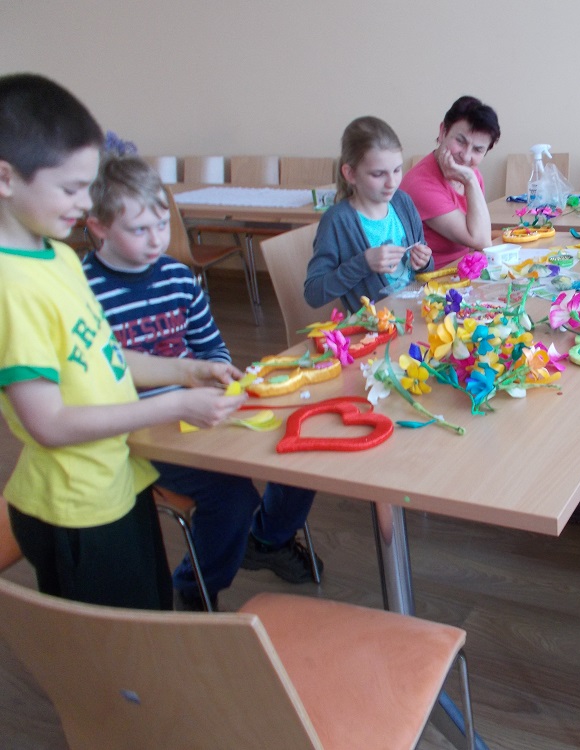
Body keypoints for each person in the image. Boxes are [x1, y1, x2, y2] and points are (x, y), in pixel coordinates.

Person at [0, 73, 245, 610]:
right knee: (114, 645)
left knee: (148, 617)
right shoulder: (11, 286)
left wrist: (186, 371)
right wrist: (176, 404)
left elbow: (103, 358)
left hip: (116, 478)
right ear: (6, 178)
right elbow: (49, 423)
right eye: (71, 189)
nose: (85, 203)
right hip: (74, 506)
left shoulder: (57, 256)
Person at [82, 154, 323, 611]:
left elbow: (211, 347)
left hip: (199, 408)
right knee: (231, 499)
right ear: (99, 228)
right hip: (137, 428)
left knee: (301, 442)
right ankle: (196, 585)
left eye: (162, 225)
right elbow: (93, 384)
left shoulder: (178, 277)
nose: (156, 239)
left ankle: (266, 539)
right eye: (139, 229)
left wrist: (219, 374)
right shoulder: (82, 291)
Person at [304, 116, 432, 313]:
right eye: (378, 174)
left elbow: (426, 270)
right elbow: (314, 293)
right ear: (350, 174)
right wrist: (364, 263)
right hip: (375, 325)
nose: (392, 183)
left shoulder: (402, 202)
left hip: (417, 312)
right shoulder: (337, 221)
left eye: (397, 170)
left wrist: (424, 262)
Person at [398, 96, 500, 267]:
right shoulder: (421, 184)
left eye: (478, 150)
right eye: (460, 141)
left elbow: (479, 242)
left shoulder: (469, 175)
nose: (466, 156)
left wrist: (471, 179)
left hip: (462, 271)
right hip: (430, 278)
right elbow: (481, 241)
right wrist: (470, 180)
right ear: (443, 132)